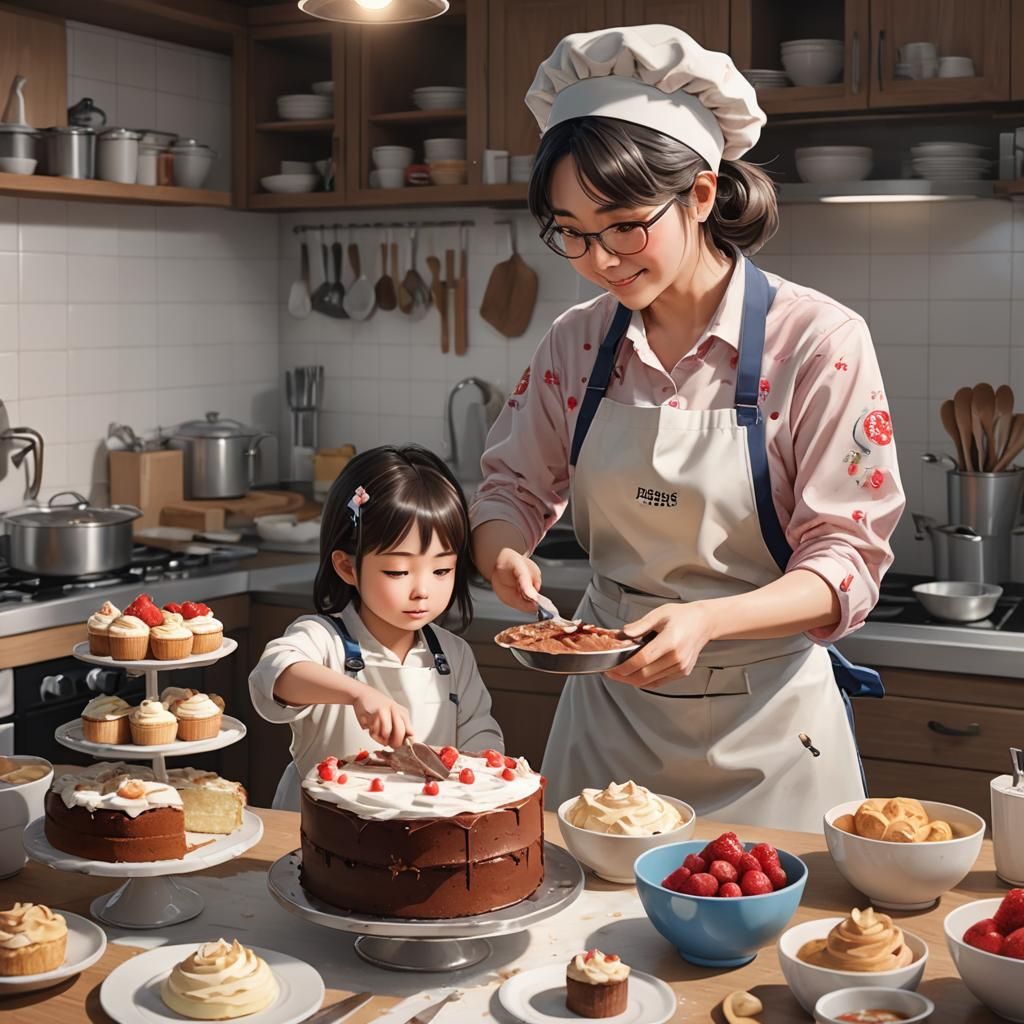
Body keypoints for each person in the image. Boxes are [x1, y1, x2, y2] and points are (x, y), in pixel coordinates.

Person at [469, 25, 905, 832]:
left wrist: (707, 619)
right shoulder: (576, 341)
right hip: (609, 724)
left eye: (625, 223)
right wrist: (502, 554)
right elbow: (509, 488)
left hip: (773, 733)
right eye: (570, 230)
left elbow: (847, 559)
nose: (600, 258)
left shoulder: (817, 341)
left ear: (701, 195)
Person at [250, 444, 503, 810]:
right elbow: (273, 677)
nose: (422, 590)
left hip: (418, 833)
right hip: (318, 836)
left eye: (442, 570)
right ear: (348, 567)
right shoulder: (323, 640)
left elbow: (482, 734)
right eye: (398, 571)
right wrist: (357, 694)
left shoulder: (454, 655)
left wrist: (472, 764)